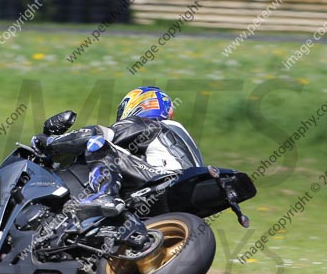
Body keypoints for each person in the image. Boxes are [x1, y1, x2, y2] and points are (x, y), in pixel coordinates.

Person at [33, 86, 203, 221]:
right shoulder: (179, 134)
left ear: (138, 104)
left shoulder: (147, 123)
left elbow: (95, 133)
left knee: (98, 143)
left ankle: (105, 195)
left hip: (166, 178)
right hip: (187, 191)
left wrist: (49, 142)